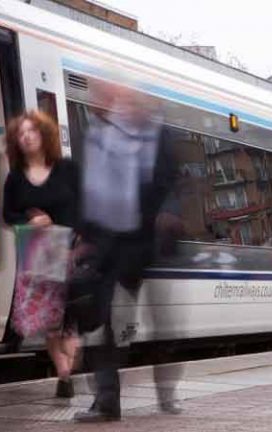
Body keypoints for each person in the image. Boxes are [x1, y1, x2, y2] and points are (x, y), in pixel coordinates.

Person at [73, 86, 181, 422]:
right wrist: (86, 238)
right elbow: (95, 189)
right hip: (113, 247)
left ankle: (166, 393)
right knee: (105, 324)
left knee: (163, 328)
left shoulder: (161, 138)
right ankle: (106, 403)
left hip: (152, 248)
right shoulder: (104, 138)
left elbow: (175, 184)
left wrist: (168, 213)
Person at [3, 110, 80, 398]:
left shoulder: (67, 170)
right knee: (49, 322)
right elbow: (7, 213)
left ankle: (68, 369)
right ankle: (63, 373)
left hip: (67, 250)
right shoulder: (15, 178)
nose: (26, 137)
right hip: (36, 253)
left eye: (31, 131)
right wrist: (28, 220)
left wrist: (70, 230)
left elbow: (83, 205)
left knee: (69, 321)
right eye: (21, 133)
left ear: (43, 135)